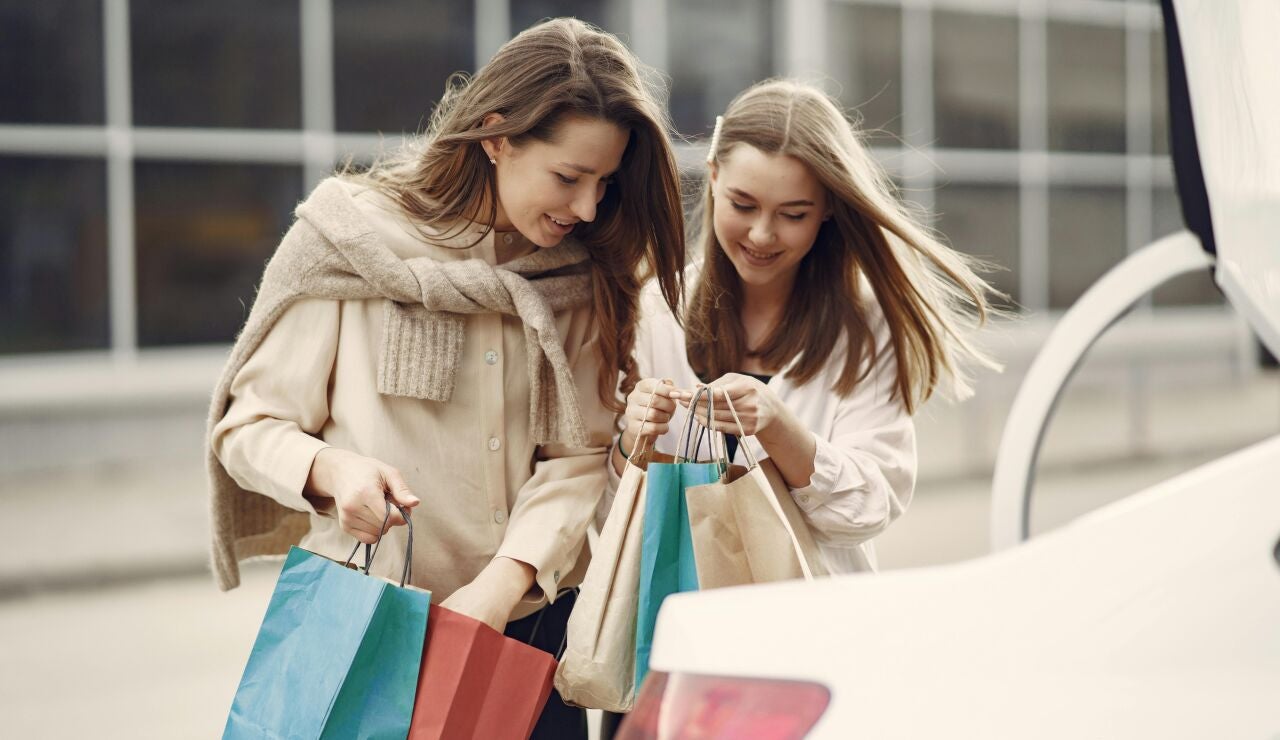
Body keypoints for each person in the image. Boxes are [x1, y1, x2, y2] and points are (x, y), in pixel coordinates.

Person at [206, 18, 685, 738]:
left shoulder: (579, 275)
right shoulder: (351, 241)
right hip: (366, 627)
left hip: (526, 634)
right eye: (568, 177)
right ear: (496, 136)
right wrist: (332, 470)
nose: (587, 208)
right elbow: (248, 427)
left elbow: (579, 460)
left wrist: (502, 586)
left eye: (605, 184)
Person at [609, 78, 1002, 574]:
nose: (761, 234)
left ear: (828, 209)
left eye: (793, 214)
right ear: (712, 176)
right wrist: (631, 441)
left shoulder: (864, 329)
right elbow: (609, 509)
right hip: (679, 622)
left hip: (814, 627)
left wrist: (779, 427)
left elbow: (868, 508)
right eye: (743, 205)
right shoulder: (658, 309)